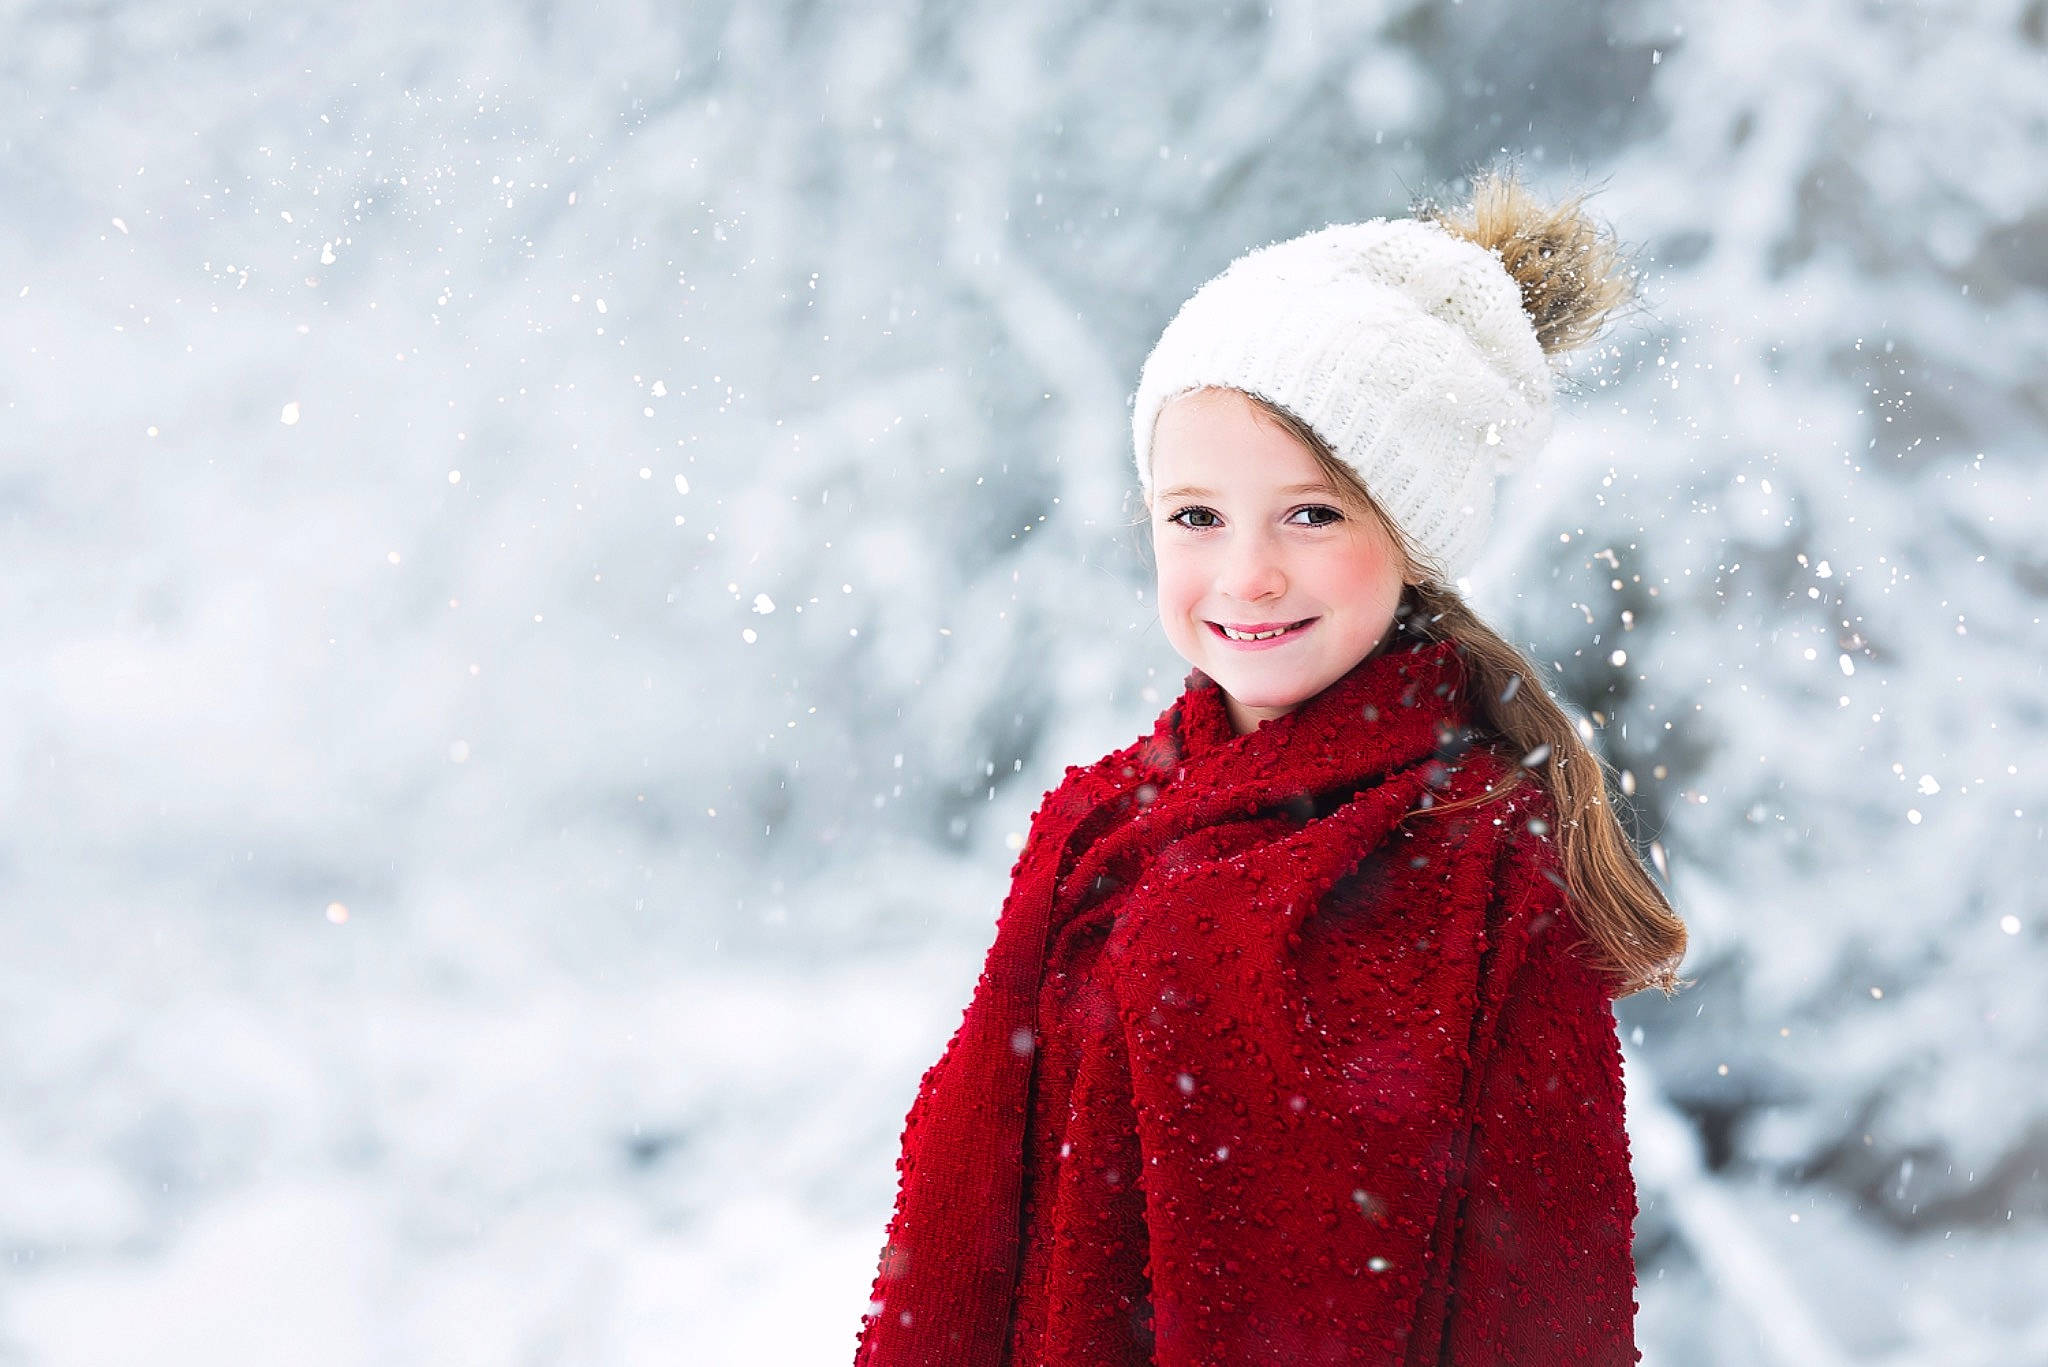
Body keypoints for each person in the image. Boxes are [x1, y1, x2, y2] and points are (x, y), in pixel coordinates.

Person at [852, 160, 1690, 1367]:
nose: (1245, 574)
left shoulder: (1480, 857)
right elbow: (974, 1213)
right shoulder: (1098, 824)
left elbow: (1546, 1280)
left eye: (1309, 513)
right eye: (1195, 516)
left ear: (1409, 538)